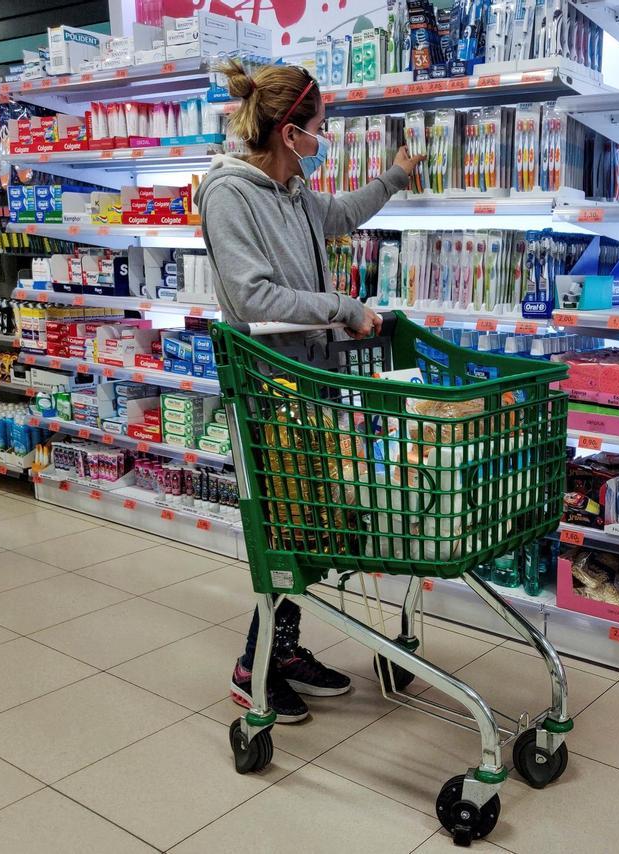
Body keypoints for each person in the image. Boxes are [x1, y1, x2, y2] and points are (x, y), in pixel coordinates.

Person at [198, 59, 423, 723]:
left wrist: (395, 179)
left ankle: (287, 647)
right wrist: (343, 307)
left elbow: (342, 215)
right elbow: (250, 294)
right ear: (290, 130)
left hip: (312, 385)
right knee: (287, 531)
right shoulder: (228, 194)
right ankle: (254, 665)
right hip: (268, 389)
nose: (324, 141)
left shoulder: (293, 190)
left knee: (316, 524)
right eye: (319, 129)